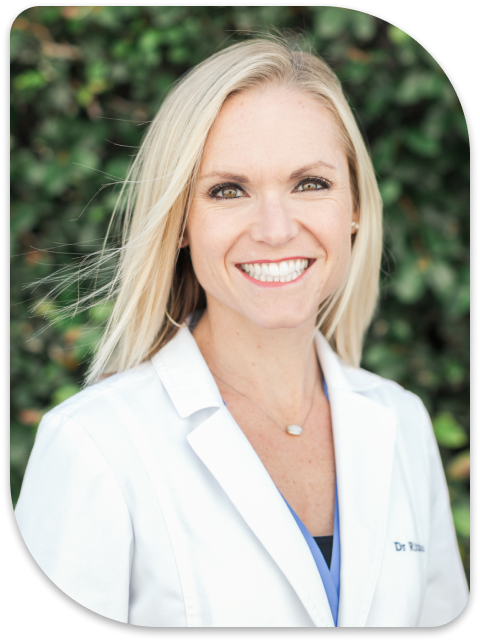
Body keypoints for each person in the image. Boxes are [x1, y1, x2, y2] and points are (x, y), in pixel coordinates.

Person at [14, 36, 468, 627]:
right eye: (228, 191)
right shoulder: (94, 445)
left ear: (353, 205)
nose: (276, 230)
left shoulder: (401, 422)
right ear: (180, 222)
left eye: (310, 183)